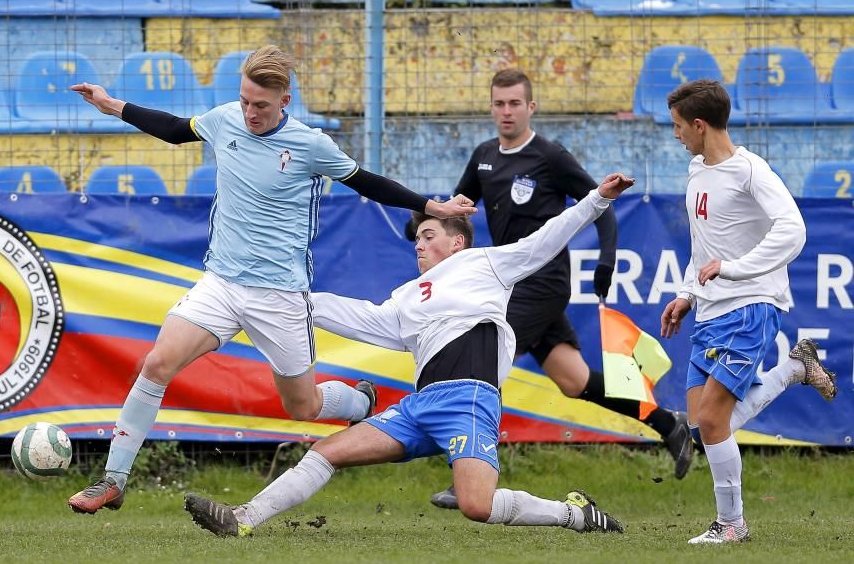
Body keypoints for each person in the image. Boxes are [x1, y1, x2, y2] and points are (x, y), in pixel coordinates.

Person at [66, 45, 477, 514]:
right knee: (157, 364)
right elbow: (177, 131)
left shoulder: (310, 145)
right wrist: (111, 104)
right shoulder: (225, 121)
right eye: (244, 101)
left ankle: (360, 405)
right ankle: (113, 480)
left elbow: (366, 182)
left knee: (302, 407)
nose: (250, 112)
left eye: (260, 105)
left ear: (285, 99)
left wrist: (434, 206)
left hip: (279, 295)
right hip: (221, 284)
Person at [184, 173, 636, 538]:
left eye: (428, 234)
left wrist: (596, 198)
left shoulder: (485, 265)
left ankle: (574, 514)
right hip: (419, 407)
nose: (418, 243)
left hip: (469, 399)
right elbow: (359, 316)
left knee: (476, 506)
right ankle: (242, 518)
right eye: (416, 237)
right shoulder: (405, 298)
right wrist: (292, 303)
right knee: (328, 451)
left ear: (457, 242)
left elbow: (545, 240)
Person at [429, 68, 692, 511]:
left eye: (515, 103)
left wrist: (607, 258)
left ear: (531, 107)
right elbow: (458, 207)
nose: (507, 111)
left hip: (545, 282)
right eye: (499, 103)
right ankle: (669, 423)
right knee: (574, 381)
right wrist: (424, 222)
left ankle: (470, 473)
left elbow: (601, 205)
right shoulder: (484, 156)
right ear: (491, 107)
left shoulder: (550, 157)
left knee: (483, 357)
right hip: (509, 282)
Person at [659, 79, 837, 545]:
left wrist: (738, 271)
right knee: (703, 427)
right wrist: (686, 294)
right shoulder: (698, 170)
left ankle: (732, 524)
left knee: (714, 423)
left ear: (699, 125)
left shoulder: (750, 170)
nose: (675, 134)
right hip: (710, 311)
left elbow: (792, 230)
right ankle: (797, 367)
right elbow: (704, 248)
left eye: (678, 126)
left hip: (749, 308)